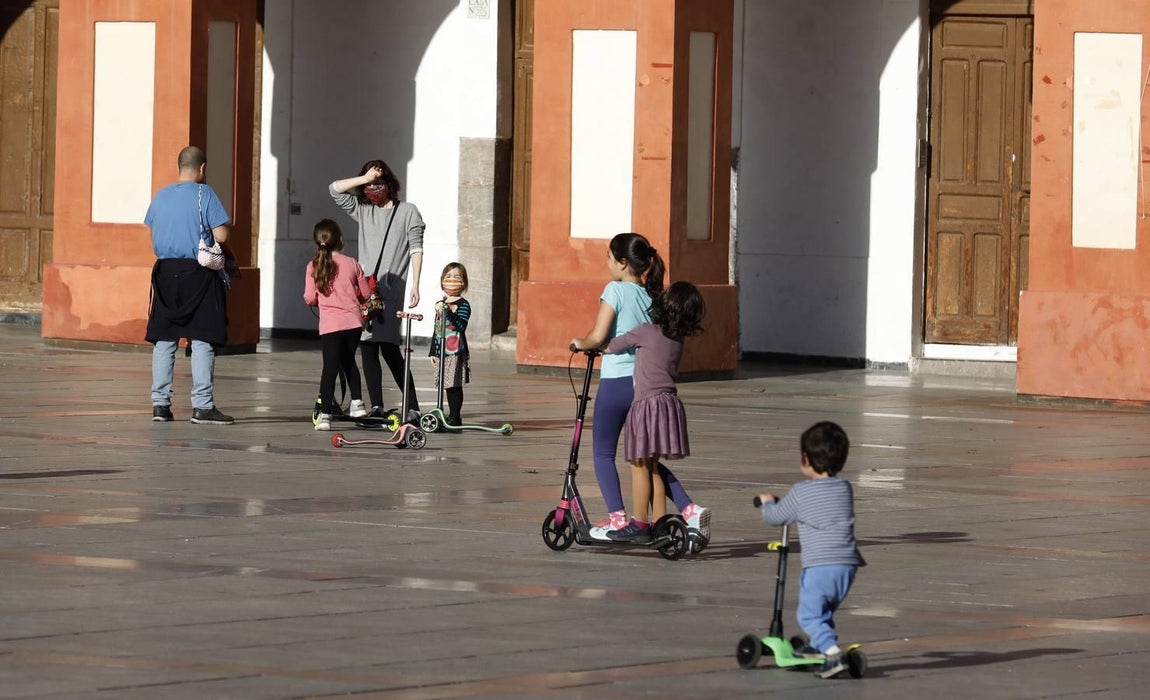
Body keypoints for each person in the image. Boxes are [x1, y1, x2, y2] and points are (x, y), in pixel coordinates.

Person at [570, 233, 710, 547]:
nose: (606, 264)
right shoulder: (653, 297)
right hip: (644, 385)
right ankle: (668, 515)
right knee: (646, 459)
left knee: (604, 453)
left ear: (622, 263)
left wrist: (580, 343)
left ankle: (620, 518)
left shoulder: (615, 289)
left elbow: (598, 335)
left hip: (616, 382)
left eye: (608, 258)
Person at [758, 421, 866, 679]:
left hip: (820, 565)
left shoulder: (801, 492)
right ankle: (819, 645)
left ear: (806, 459)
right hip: (848, 566)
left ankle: (832, 653)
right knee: (823, 611)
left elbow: (777, 517)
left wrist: (766, 504)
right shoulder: (845, 489)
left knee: (809, 614)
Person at [603, 281, 706, 543]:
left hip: (646, 405)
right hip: (669, 405)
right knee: (652, 468)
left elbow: (612, 344)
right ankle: (660, 524)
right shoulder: (677, 339)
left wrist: (591, 344)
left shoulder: (646, 332)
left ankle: (639, 522)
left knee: (638, 464)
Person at [144, 146, 234, 425]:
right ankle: (202, 406)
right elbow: (221, 233)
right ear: (202, 168)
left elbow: (153, 228)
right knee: (203, 338)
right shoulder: (204, 194)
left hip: (165, 272)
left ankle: (160, 405)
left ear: (179, 165)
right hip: (198, 273)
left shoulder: (160, 196)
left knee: (164, 339)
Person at [330, 159, 423, 422]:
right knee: (367, 347)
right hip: (364, 291)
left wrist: (416, 283)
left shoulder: (408, 211)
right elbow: (334, 190)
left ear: (390, 183)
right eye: (369, 185)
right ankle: (377, 406)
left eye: (378, 184)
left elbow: (416, 247)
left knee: (390, 348)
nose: (374, 190)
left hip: (392, 290)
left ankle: (413, 405)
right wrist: (363, 179)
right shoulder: (363, 209)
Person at [303, 219, 371, 431]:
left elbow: (309, 298)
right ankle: (357, 403)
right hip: (353, 323)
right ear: (340, 239)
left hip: (331, 325)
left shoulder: (313, 266)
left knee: (329, 369)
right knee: (349, 361)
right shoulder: (351, 263)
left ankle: (325, 416)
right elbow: (366, 293)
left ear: (317, 242)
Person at [429, 262, 471, 430]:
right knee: (446, 384)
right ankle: (446, 414)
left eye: (457, 277)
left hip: (456, 350)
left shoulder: (463, 304)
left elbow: (461, 326)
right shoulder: (440, 303)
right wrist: (433, 350)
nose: (452, 279)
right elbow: (437, 328)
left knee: (454, 384)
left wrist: (449, 312)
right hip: (442, 350)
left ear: (463, 282)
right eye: (448, 276)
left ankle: (455, 416)